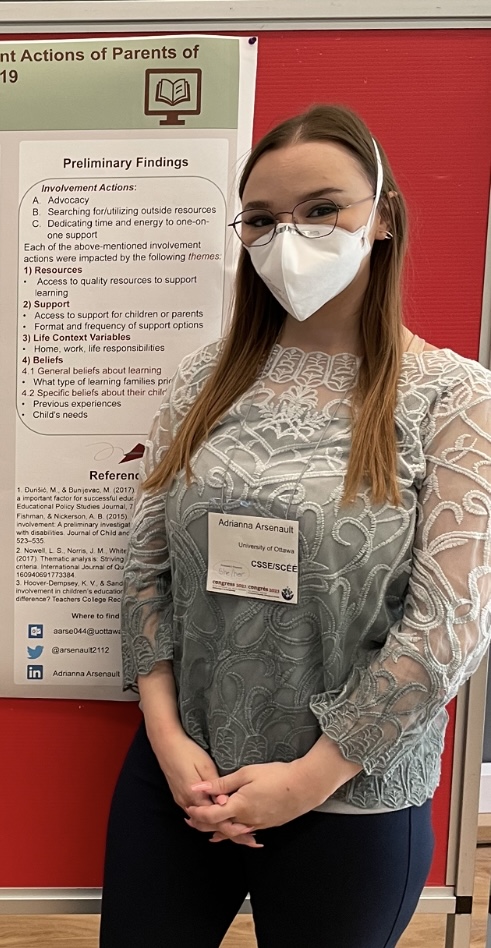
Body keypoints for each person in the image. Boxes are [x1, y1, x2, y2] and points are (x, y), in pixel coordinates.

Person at [100, 103, 491, 948]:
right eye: (263, 219)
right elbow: (143, 568)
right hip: (182, 777)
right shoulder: (208, 376)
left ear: (379, 217)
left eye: (321, 210)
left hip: (347, 798)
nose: (291, 236)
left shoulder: (454, 398)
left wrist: (307, 781)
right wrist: (167, 742)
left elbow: (448, 628)